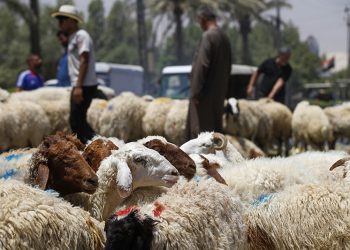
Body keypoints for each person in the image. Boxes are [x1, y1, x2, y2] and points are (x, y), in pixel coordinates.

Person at [52, 5, 98, 143]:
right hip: (78, 84)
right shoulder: (72, 37)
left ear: (71, 21)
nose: (59, 23)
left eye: (62, 19)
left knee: (77, 121)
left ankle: (98, 144)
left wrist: (78, 87)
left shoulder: (81, 35)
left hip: (84, 85)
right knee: (76, 121)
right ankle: (92, 146)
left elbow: (84, 60)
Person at [186, 5, 232, 140]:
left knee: (201, 137)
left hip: (204, 98)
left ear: (202, 19)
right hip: (218, 97)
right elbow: (228, 67)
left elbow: (202, 65)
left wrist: (195, 92)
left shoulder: (208, 37)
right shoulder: (224, 38)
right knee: (216, 137)